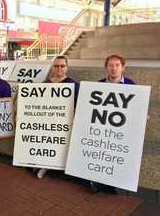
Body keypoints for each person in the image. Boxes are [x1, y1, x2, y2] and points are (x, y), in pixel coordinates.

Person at [90, 54, 135, 193]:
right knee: (101, 154)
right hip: (102, 129)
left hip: (120, 129)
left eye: (117, 65)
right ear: (106, 68)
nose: (114, 69)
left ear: (123, 68)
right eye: (110, 65)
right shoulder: (98, 85)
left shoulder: (131, 85)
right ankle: (98, 182)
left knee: (115, 155)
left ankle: (114, 183)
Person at [35, 55, 80, 179]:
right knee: (47, 145)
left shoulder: (74, 85)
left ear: (67, 67)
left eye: (62, 66)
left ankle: (61, 169)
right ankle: (44, 166)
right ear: (53, 68)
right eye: (56, 66)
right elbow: (36, 104)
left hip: (65, 123)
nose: (59, 68)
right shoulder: (45, 84)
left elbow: (78, 106)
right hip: (47, 122)